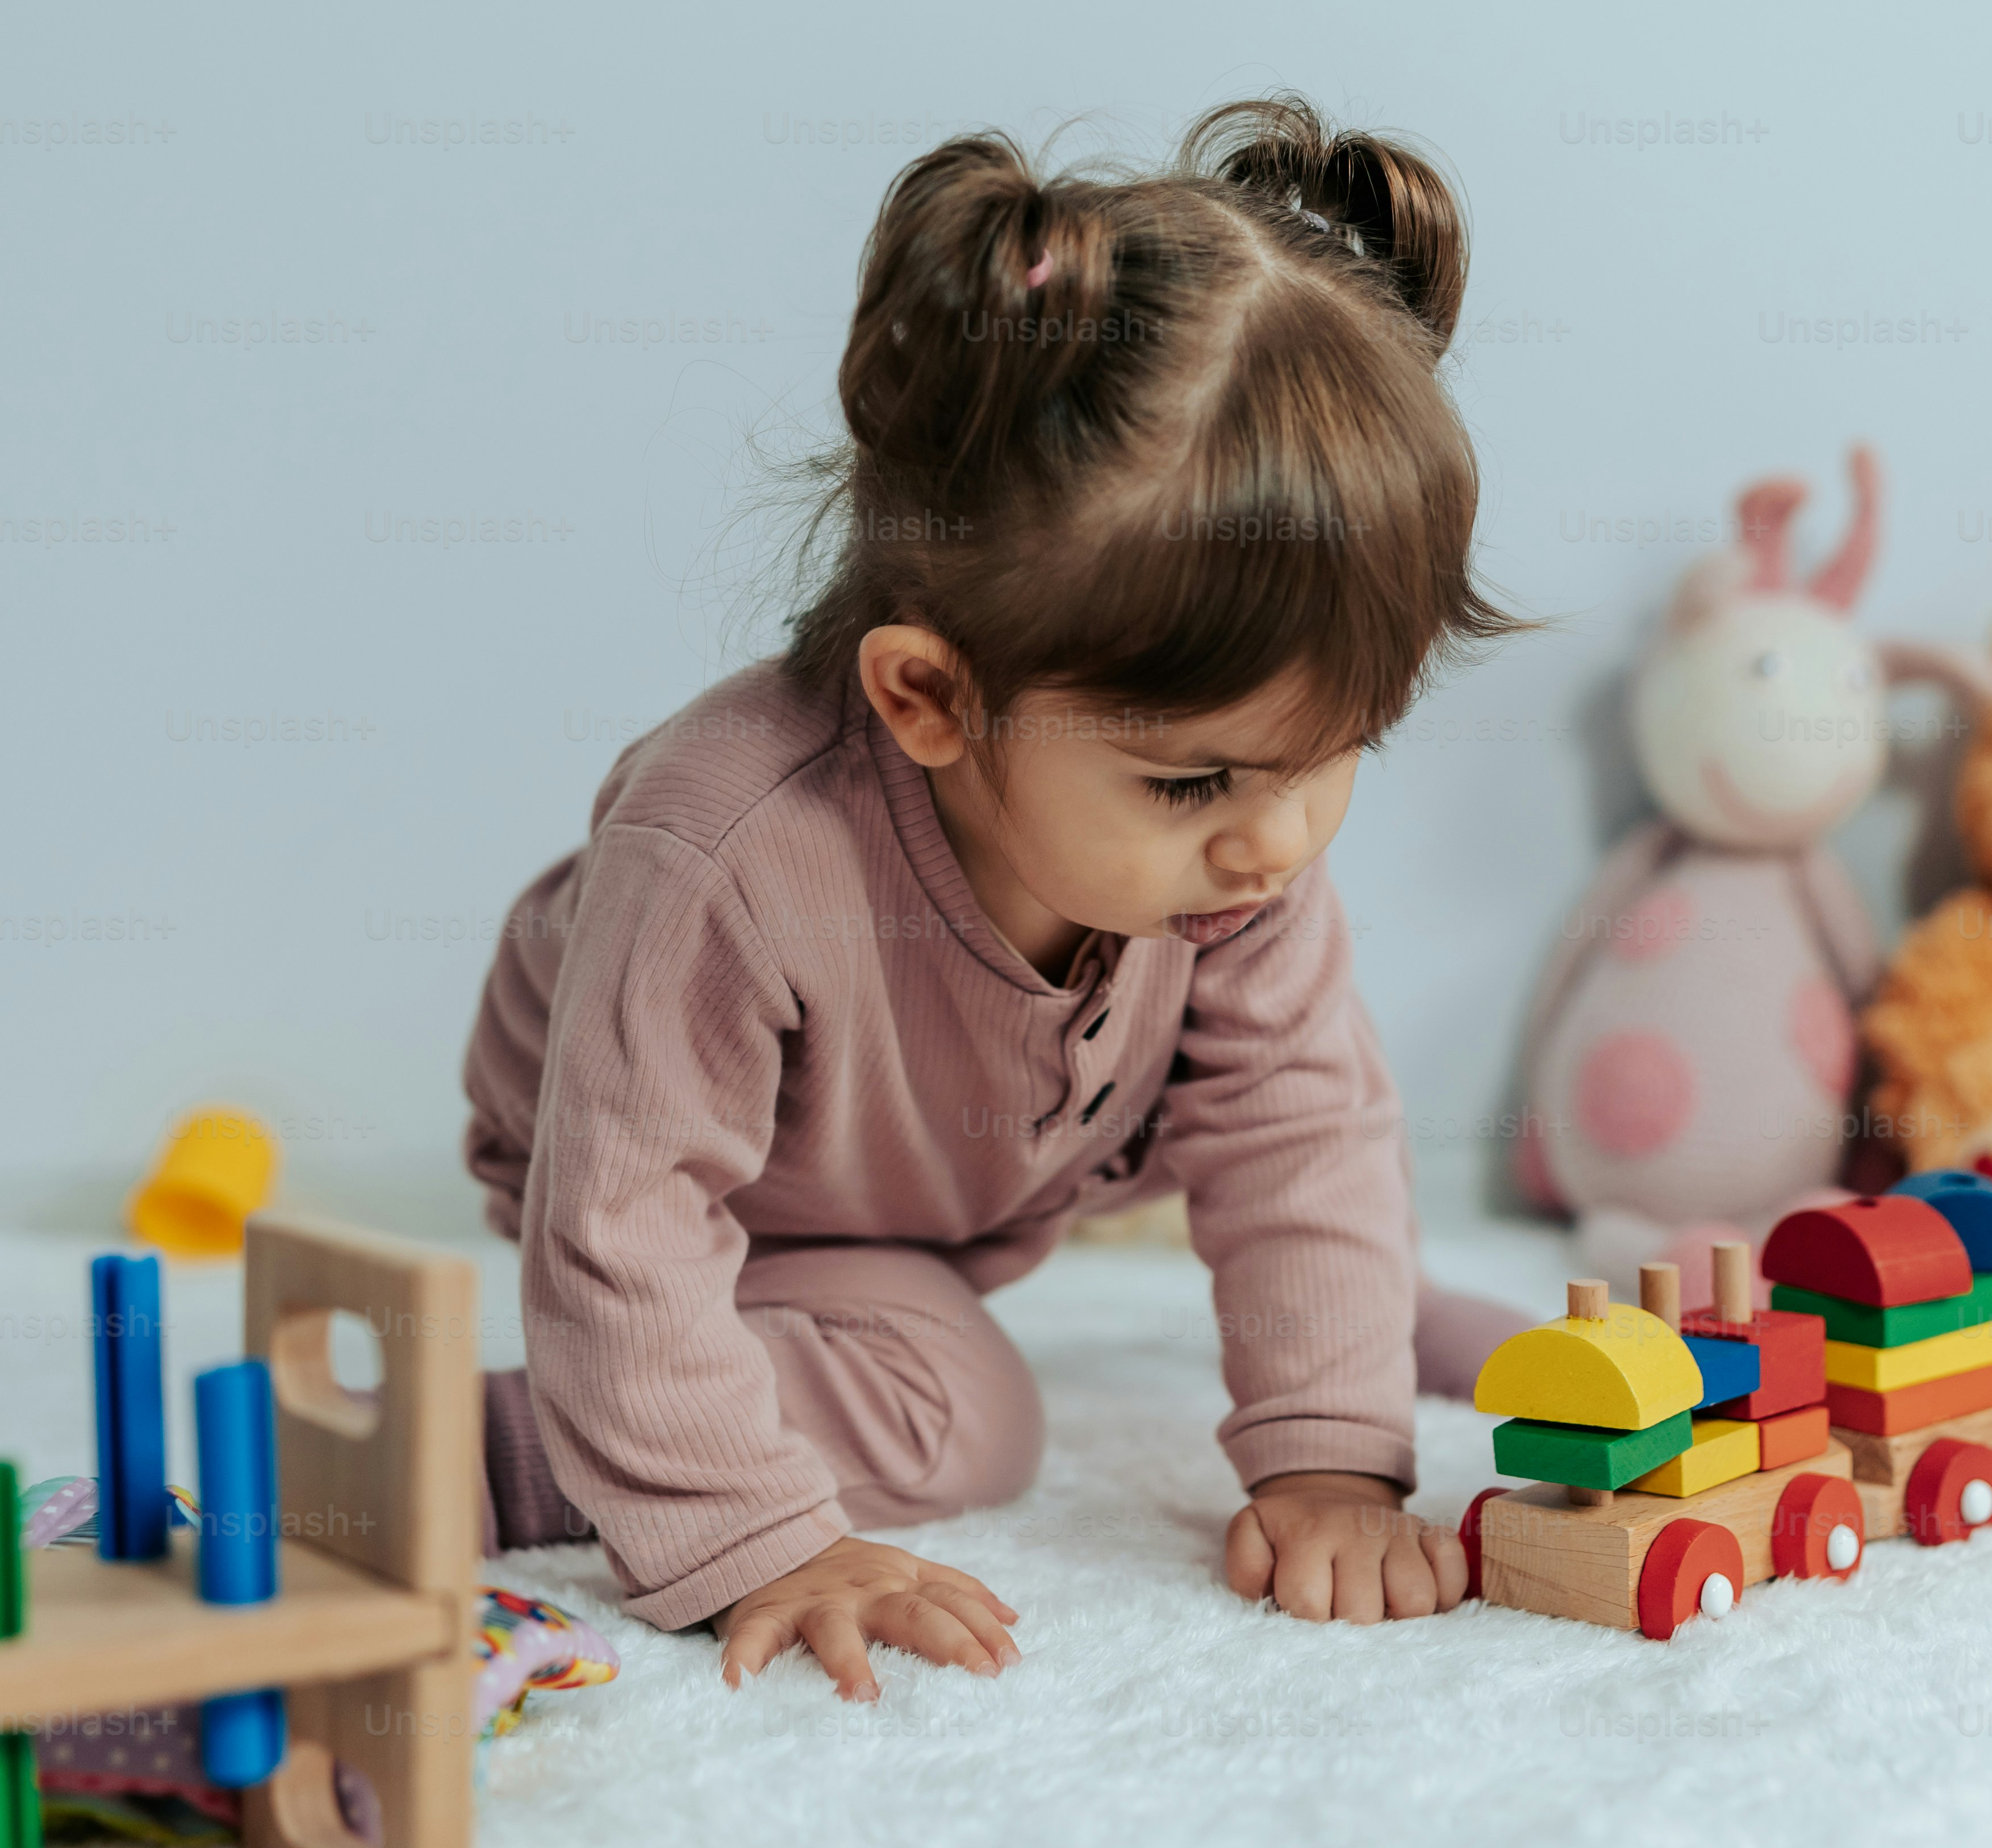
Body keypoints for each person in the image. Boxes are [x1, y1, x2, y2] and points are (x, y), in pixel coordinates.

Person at [462, 96, 1533, 1700]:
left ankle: (1352, 1339)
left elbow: (1294, 1124)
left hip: (995, 1146)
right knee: (963, 1399)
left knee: (1330, 1232)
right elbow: (628, 1215)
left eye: (1339, 753)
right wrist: (753, 1532)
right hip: (727, 1179)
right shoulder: (735, 849)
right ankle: (475, 1443)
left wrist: (1329, 1455)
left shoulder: (1234, 851)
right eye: (1199, 783)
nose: (1280, 841)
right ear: (928, 701)